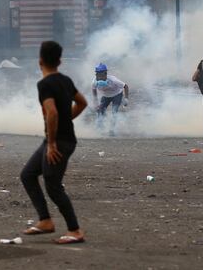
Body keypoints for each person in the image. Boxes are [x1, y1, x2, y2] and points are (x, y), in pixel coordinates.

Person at [20, 40, 88, 244]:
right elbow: (82, 103)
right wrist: (66, 121)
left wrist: (51, 144)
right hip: (59, 139)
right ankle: (45, 221)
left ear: (40, 61)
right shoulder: (65, 80)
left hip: (58, 142)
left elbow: (52, 112)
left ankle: (75, 231)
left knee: (53, 185)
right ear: (60, 61)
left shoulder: (45, 84)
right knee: (28, 175)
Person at [92, 63, 129, 137]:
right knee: (100, 111)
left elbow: (125, 86)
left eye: (100, 74)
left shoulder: (113, 80)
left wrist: (126, 98)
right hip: (105, 96)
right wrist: (96, 102)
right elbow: (94, 90)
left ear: (105, 73)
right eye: (97, 74)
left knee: (114, 111)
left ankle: (112, 130)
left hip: (117, 95)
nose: (98, 76)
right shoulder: (94, 82)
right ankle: (99, 130)